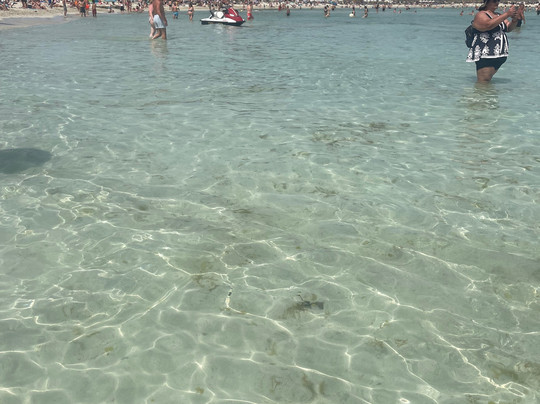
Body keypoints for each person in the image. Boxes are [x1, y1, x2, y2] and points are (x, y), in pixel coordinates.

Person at [466, 0, 518, 83]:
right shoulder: (481, 14)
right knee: (483, 81)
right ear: (487, 2)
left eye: (498, 1)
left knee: (487, 81)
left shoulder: (498, 15)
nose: (497, 3)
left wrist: (514, 20)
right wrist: (507, 14)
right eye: (494, 1)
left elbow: (508, 28)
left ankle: (488, 92)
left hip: (499, 54)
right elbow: (487, 25)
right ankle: (481, 92)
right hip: (486, 54)